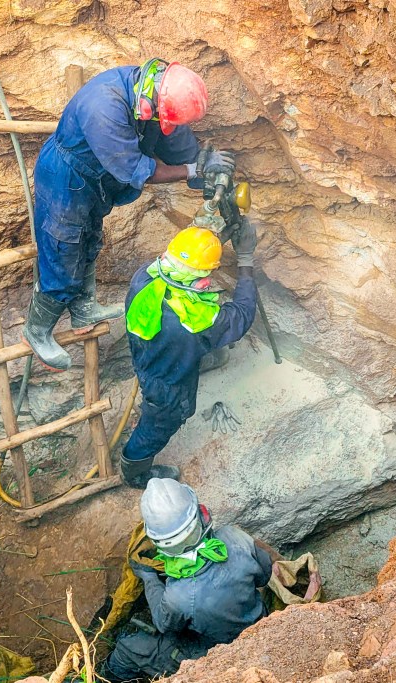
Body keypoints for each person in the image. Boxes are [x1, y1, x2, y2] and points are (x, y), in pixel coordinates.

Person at [24, 58, 236, 371]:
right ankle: (37, 330)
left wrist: (203, 165)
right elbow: (140, 171)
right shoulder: (104, 107)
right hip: (66, 179)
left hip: (96, 180)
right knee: (63, 248)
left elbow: (178, 145)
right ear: (153, 102)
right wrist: (192, 169)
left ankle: (83, 310)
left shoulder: (155, 91)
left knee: (90, 239)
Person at [120, 224, 258, 487]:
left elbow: (186, 257)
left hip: (146, 356)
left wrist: (214, 240)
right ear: (203, 281)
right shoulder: (196, 322)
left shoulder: (145, 278)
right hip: (166, 389)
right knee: (157, 428)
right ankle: (134, 471)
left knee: (162, 385)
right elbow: (241, 314)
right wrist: (246, 260)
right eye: (207, 275)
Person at [100, 479, 273, 682]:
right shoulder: (234, 537)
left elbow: (164, 624)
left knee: (127, 649)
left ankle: (102, 678)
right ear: (201, 515)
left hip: (219, 654)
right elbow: (264, 576)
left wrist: (148, 577)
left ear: (160, 544)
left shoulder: (179, 596)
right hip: (262, 627)